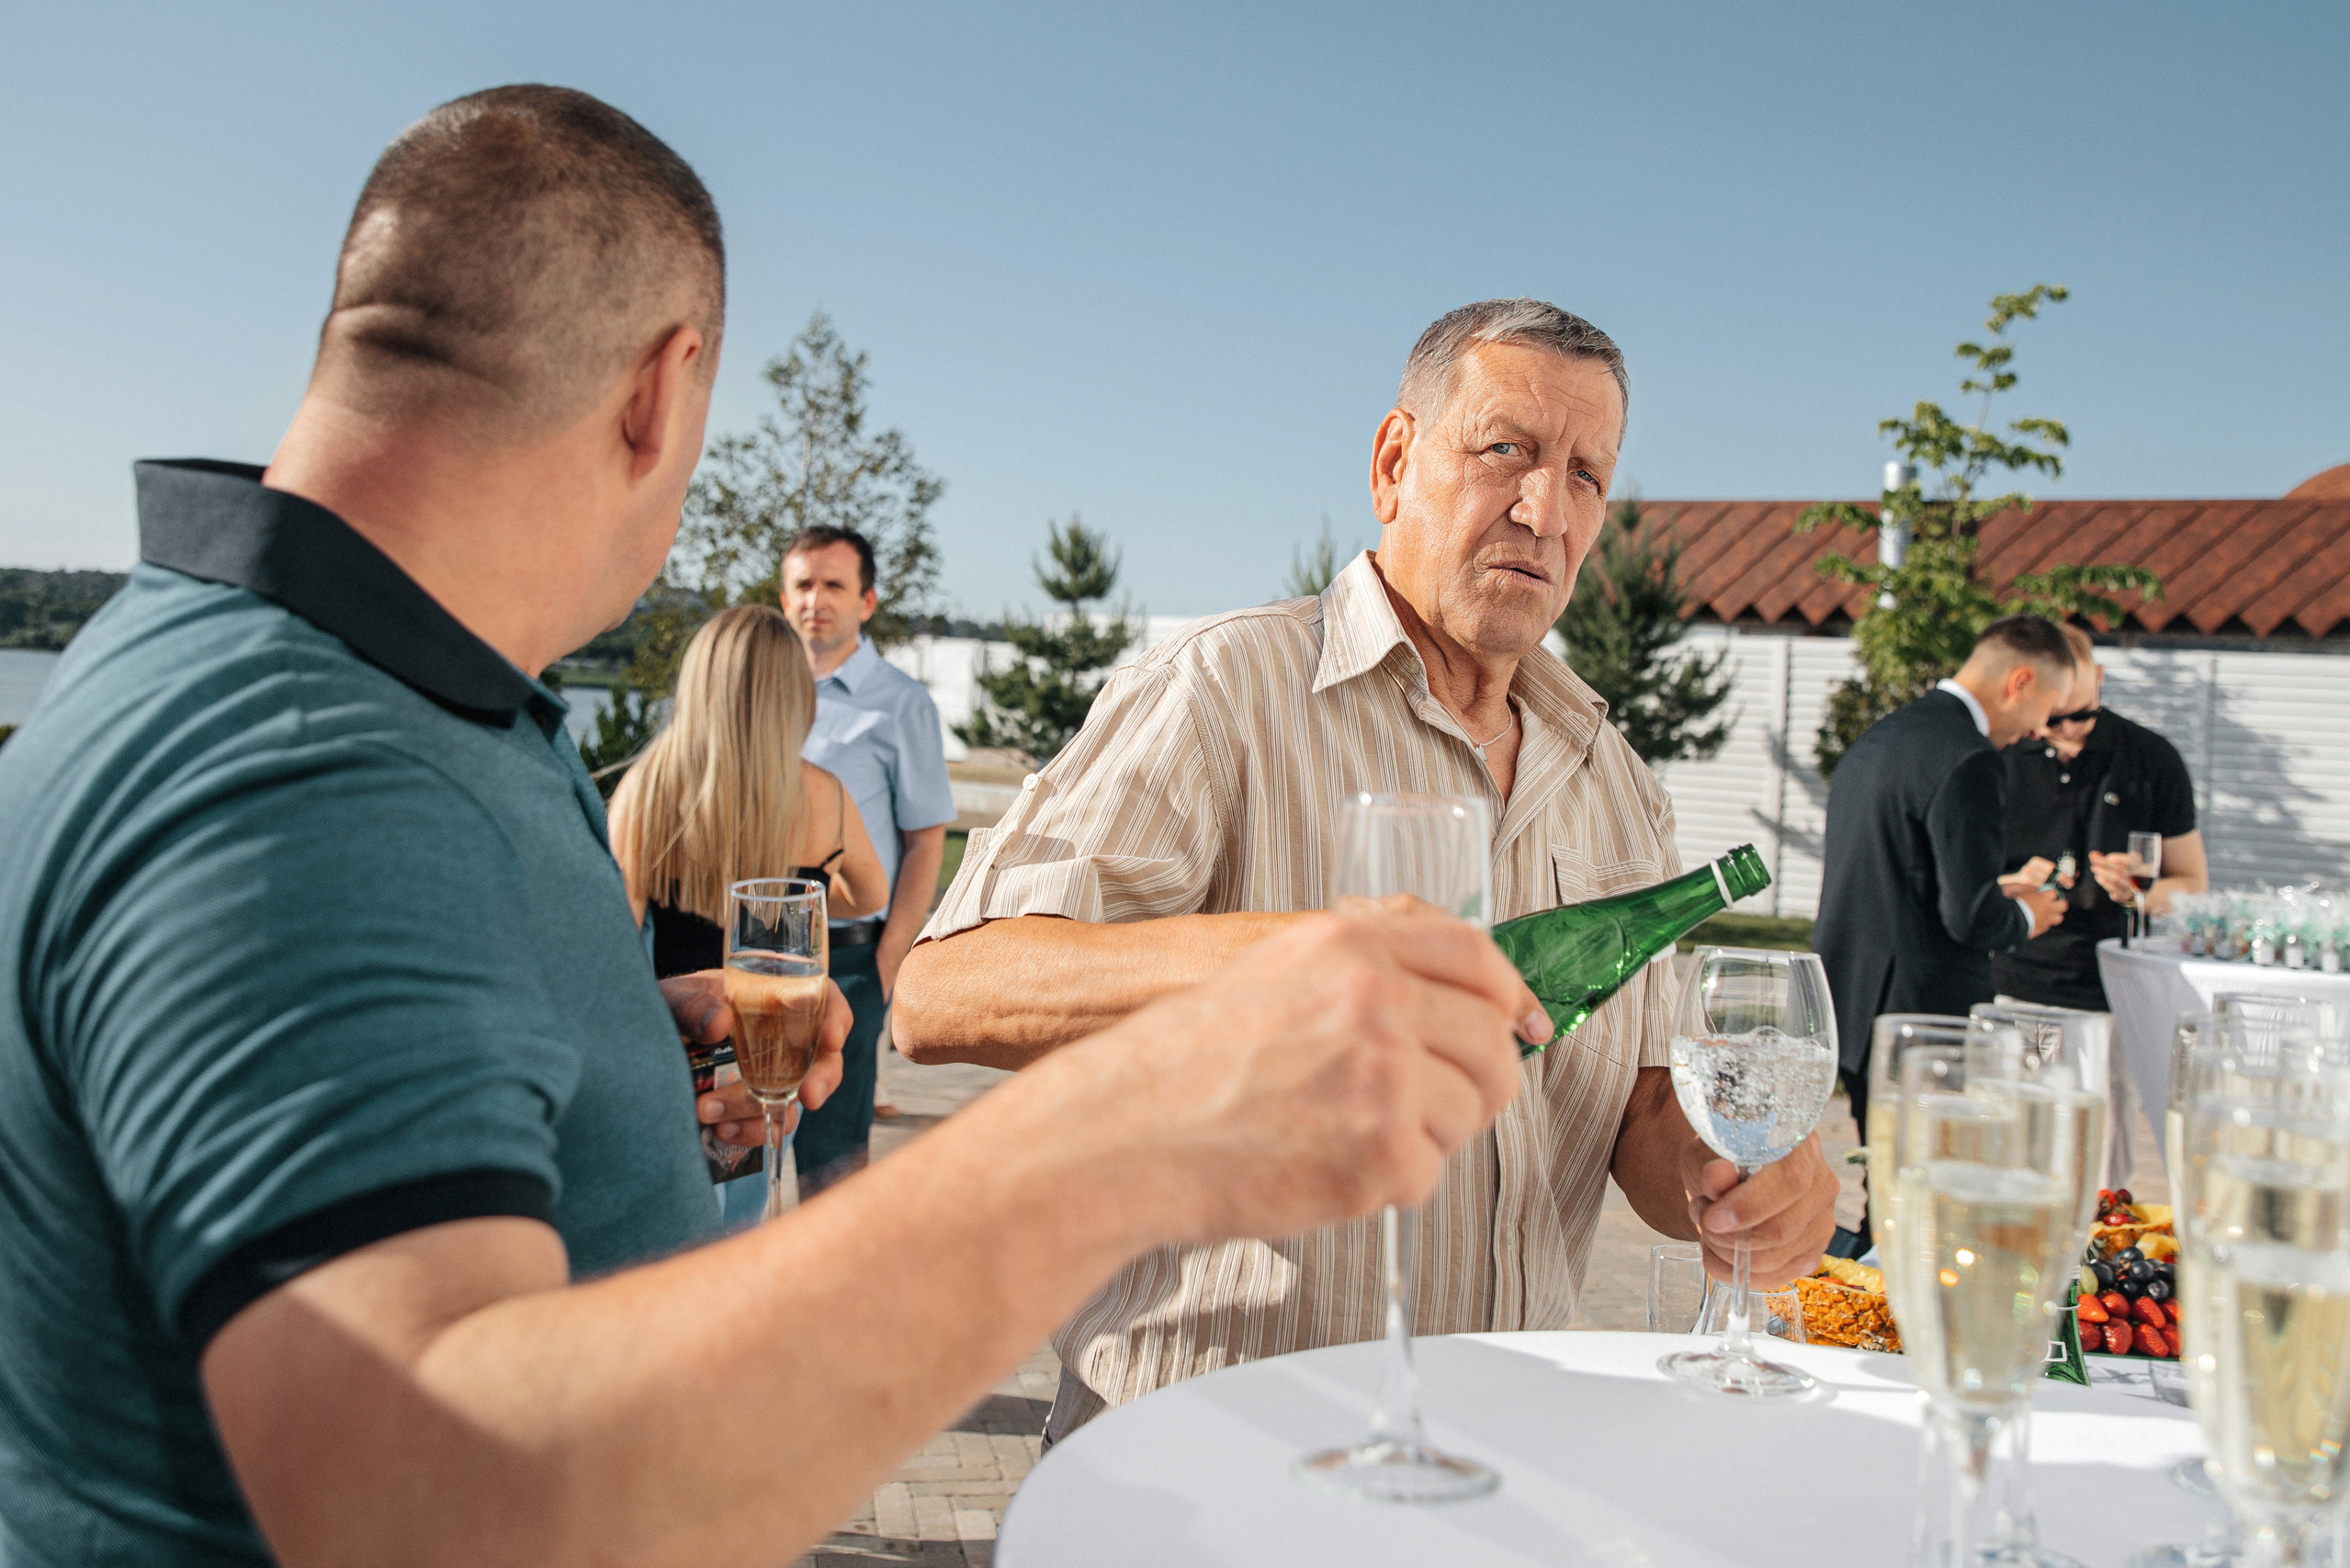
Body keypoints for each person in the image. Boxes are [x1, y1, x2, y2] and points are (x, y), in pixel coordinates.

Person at [0, 85, 1536, 1565]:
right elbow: (432, 1501)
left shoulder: (350, 687)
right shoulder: (300, 768)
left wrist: (591, 1053)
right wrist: (1136, 1123)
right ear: (661, 395)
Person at [894, 298, 1842, 1441]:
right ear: (1396, 461)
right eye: (1507, 450)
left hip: (1498, 1451)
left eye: (1588, 473)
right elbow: (945, 992)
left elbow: (1638, 1107)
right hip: (1211, 1447)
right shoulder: (1225, 687)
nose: (1545, 509)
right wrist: (1300, 964)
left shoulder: (1615, 777)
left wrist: (1732, 1178)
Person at [1812, 615, 2074, 1246]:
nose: (2040, 730)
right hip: (1921, 1014)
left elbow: (1898, 871)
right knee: (1921, 1193)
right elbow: (1970, 916)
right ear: (2020, 681)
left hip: (1853, 995)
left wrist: (1995, 889)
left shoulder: (1884, 736)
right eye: (2048, 708)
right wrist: (2028, 913)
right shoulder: (1971, 759)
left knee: (1889, 1178)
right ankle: (1891, 1321)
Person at [606, 604, 888, 1191]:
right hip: (769, 1041)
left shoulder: (648, 788)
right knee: (746, 1204)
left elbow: (613, 939)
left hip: (673, 1041)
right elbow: (869, 895)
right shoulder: (823, 796)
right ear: (796, 697)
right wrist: (793, 909)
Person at [777, 525, 957, 1189]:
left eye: (834, 585)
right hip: (751, 949)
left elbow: (925, 842)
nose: (815, 599)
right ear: (783, 594)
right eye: (802, 584)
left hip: (849, 956)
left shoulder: (901, 704)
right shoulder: (759, 693)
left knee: (832, 1170)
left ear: (868, 601)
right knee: (730, 1154)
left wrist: (885, 965)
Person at [1991, 621, 2208, 1011]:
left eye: (2084, 714)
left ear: (2100, 677)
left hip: (2120, 986)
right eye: (2054, 719)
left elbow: (2193, 885)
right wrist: (2012, 883)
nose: (2070, 729)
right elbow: (1960, 886)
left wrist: (2139, 892)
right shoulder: (2000, 758)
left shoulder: (2151, 759)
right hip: (2015, 981)